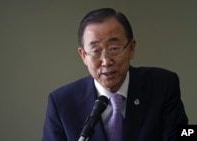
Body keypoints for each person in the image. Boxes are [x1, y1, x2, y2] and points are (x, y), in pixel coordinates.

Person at [42, 8, 188, 141]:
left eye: (114, 48)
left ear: (131, 48)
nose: (106, 61)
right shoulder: (62, 103)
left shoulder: (163, 85)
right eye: (96, 51)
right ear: (83, 55)